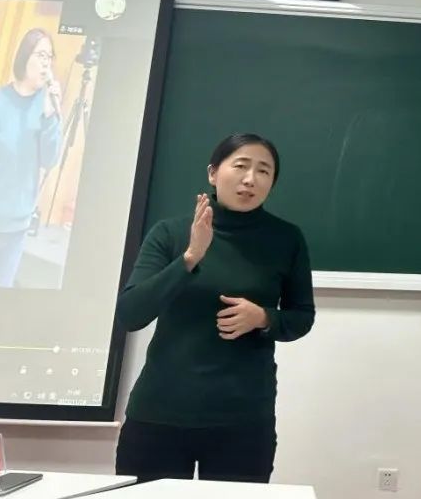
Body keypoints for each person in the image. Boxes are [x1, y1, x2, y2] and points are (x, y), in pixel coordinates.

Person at [115, 133, 315, 484]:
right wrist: (190, 257)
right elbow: (132, 314)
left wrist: (264, 317)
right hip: (160, 411)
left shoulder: (286, 239)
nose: (250, 179)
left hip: (242, 419)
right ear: (213, 173)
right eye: (241, 166)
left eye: (263, 171)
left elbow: (302, 316)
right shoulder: (170, 233)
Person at [0, 28, 63, 287]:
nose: (46, 63)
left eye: (49, 57)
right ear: (25, 56)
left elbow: (50, 160)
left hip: (17, 226)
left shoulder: (47, 107)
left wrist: (50, 116)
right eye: (40, 55)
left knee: (0, 295)